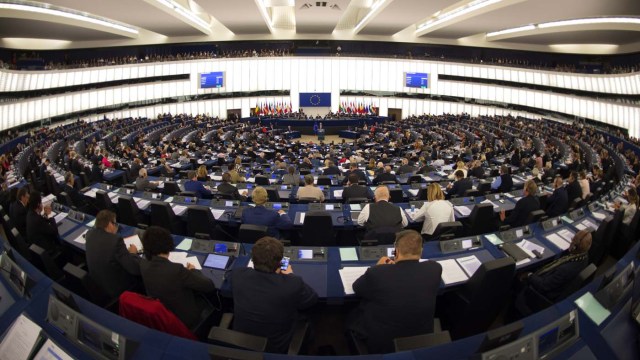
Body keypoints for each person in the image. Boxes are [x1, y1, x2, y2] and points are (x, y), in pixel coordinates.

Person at [349, 230, 442, 353]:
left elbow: (357, 288)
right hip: (420, 338)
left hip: (384, 343)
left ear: (396, 252)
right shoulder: (435, 268)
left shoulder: (377, 273)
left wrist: (378, 267)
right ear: (421, 251)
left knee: (352, 316)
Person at [228, 237, 318, 353]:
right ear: (280, 262)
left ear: (253, 259)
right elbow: (311, 299)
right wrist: (290, 275)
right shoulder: (292, 283)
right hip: (275, 346)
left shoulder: (237, 275)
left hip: (241, 341)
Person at [140, 226, 215, 329]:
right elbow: (209, 286)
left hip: (163, 316)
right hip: (184, 319)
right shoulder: (176, 270)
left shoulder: (143, 265)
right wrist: (193, 270)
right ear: (168, 243)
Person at [520, 230, 592, 301]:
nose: (571, 242)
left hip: (543, 293)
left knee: (521, 273)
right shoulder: (584, 255)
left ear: (574, 247)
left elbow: (543, 286)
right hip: (556, 283)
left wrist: (529, 274)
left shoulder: (564, 270)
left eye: (572, 241)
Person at [85, 210, 141, 299]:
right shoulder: (115, 240)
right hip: (115, 289)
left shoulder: (89, 234)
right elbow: (134, 268)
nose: (116, 226)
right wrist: (133, 253)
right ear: (110, 224)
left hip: (97, 284)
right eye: (115, 223)